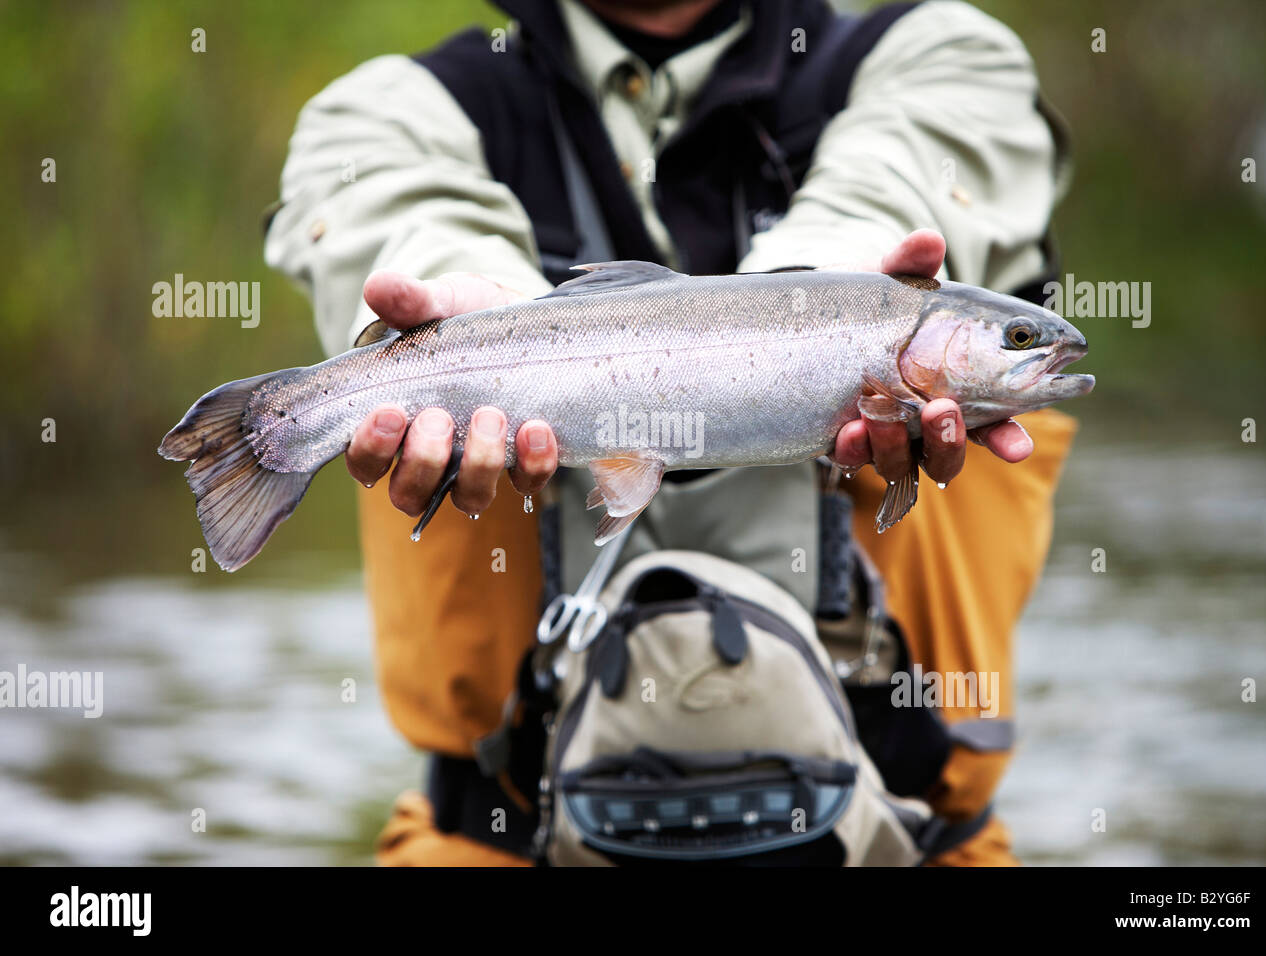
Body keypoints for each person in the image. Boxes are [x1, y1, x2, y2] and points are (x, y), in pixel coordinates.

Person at [265, 0, 1078, 865]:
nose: (1032, 349)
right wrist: (477, 316)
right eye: (1018, 339)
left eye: (1016, 339)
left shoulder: (946, 53)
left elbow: (891, 181)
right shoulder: (392, 107)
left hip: (907, 843)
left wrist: (836, 296)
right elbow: (408, 216)